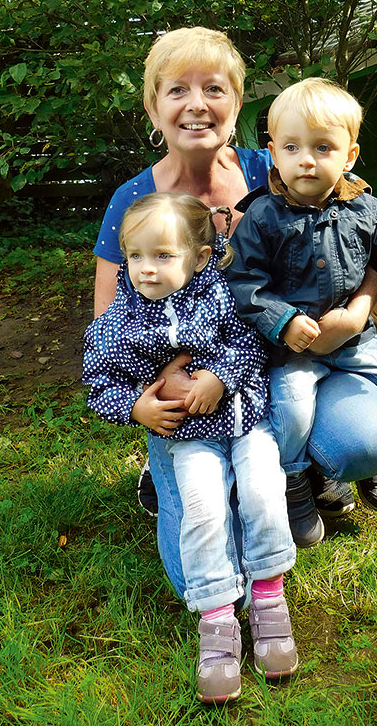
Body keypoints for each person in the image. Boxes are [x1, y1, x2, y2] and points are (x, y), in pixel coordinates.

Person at [92, 26, 377, 594]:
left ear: (238, 104)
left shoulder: (287, 158)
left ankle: (307, 463)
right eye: (176, 90)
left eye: (214, 88)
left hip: (293, 356)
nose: (196, 104)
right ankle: (174, 464)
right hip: (191, 382)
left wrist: (361, 309)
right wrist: (156, 381)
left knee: (362, 444)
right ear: (153, 106)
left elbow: (372, 235)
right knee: (202, 560)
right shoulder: (134, 201)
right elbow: (108, 317)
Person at [84, 193, 297, 703]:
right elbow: (98, 383)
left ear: (200, 257)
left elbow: (252, 341)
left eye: (162, 255)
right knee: (202, 514)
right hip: (189, 437)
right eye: (135, 256)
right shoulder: (119, 323)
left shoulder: (223, 294)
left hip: (248, 421)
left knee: (264, 493)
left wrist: (221, 378)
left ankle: (269, 597)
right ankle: (218, 619)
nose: (145, 269)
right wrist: (136, 406)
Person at [225, 78, 377, 547]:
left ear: (350, 155)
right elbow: (243, 281)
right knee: (292, 407)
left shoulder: (366, 208)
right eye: (293, 147)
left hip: (354, 338)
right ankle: (296, 483)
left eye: (323, 147)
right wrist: (281, 320)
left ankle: (374, 465)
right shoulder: (261, 216)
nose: (307, 159)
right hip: (293, 348)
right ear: (273, 151)